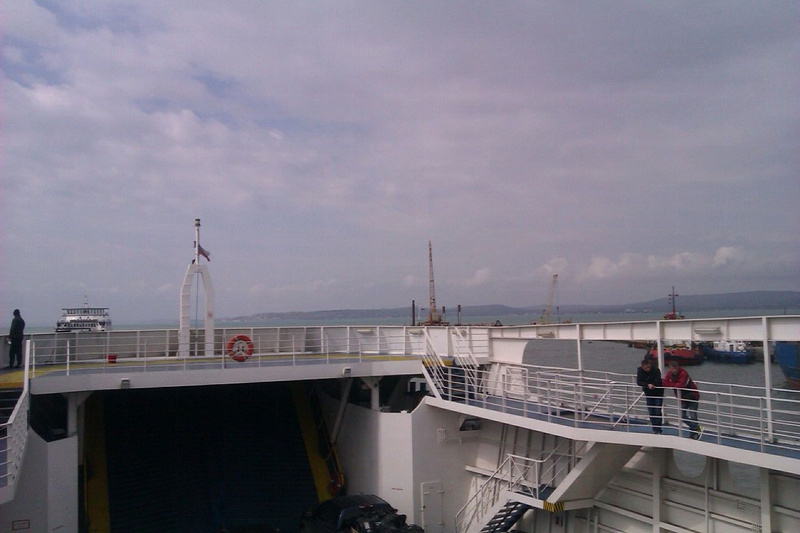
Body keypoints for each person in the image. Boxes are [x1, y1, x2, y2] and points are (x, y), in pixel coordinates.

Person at [662, 360, 703, 439]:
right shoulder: (669, 374)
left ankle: (694, 433)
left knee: (693, 415)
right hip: (683, 398)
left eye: (676, 368)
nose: (674, 370)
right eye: (672, 369)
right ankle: (696, 428)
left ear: (678, 367)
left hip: (692, 396)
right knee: (682, 415)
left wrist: (672, 384)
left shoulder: (684, 373)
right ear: (670, 369)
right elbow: (664, 383)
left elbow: (681, 385)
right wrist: (675, 385)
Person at [636, 357, 664, 433]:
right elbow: (639, 382)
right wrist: (647, 384)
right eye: (646, 368)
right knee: (651, 411)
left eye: (649, 367)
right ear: (642, 367)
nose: (648, 369)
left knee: (657, 410)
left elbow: (658, 380)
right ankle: (655, 428)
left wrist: (653, 384)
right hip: (648, 393)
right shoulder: (640, 371)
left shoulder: (655, 370)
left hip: (658, 392)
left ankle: (658, 428)